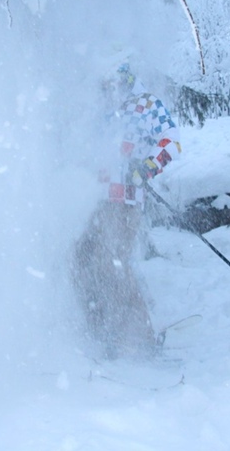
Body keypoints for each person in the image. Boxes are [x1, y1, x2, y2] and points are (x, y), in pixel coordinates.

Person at [72, 63, 182, 358]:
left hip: (125, 200)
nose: (109, 85)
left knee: (113, 263)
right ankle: (99, 329)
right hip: (93, 199)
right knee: (80, 258)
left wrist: (147, 167)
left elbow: (171, 140)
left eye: (116, 79)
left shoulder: (145, 104)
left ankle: (141, 337)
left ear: (127, 77)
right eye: (105, 80)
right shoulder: (98, 106)